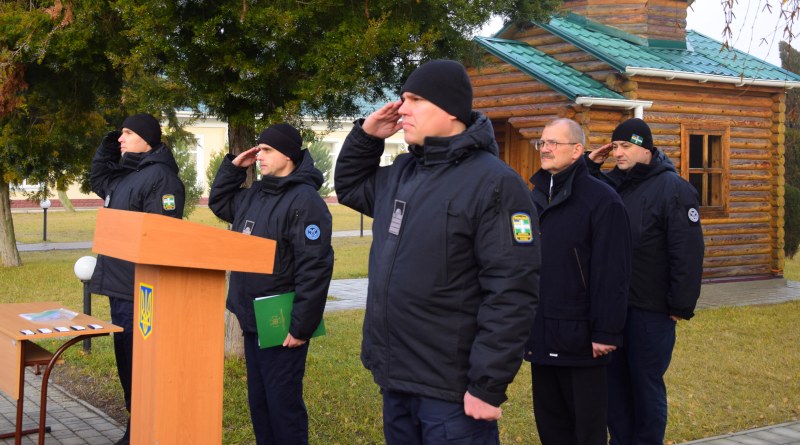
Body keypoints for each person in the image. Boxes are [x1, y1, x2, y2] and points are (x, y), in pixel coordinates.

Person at [334, 59, 540, 445]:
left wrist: (487, 384)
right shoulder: (403, 173)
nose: (402, 108)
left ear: (449, 110)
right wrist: (367, 135)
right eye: (402, 98)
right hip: (397, 378)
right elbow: (349, 185)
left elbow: (512, 291)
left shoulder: (494, 183)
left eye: (414, 99)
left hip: (451, 393)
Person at [208, 123, 333, 445]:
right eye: (259, 149)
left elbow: (315, 267)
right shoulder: (257, 194)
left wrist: (301, 326)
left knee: (283, 406)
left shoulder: (305, 201)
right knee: (259, 403)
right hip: (252, 316)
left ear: (288, 155)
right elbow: (220, 203)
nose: (260, 156)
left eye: (267, 150)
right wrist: (234, 167)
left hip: (281, 321)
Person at [586, 118, 705, 445]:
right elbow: (577, 190)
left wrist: (680, 304)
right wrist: (589, 164)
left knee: (645, 386)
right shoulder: (612, 183)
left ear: (646, 148)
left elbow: (688, 252)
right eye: (615, 147)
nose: (618, 153)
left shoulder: (673, 189)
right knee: (614, 387)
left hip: (651, 312)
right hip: (613, 310)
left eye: (626, 146)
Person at [525, 118, 632, 444]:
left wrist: (606, 332)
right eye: (542, 142)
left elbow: (613, 271)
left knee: (586, 431)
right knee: (551, 427)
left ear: (576, 150)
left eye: (553, 143)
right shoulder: (534, 198)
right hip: (541, 336)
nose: (545, 149)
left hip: (582, 340)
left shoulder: (601, 200)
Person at [89, 112, 186, 445]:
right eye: (121, 134)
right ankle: (138, 426)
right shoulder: (126, 174)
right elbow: (98, 178)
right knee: (127, 360)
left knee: (141, 364)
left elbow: (162, 236)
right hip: (120, 286)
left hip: (142, 290)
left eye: (127, 133)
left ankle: (145, 431)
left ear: (147, 138)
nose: (121, 138)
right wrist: (108, 144)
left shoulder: (161, 178)